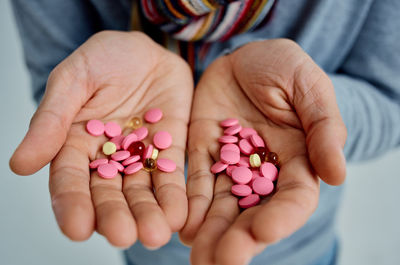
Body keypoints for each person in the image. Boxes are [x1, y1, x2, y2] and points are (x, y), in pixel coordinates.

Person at [9, 0, 400, 264]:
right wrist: (83, 96)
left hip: (301, 248)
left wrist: (319, 112)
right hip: (149, 242)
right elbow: (59, 86)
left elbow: (390, 99)